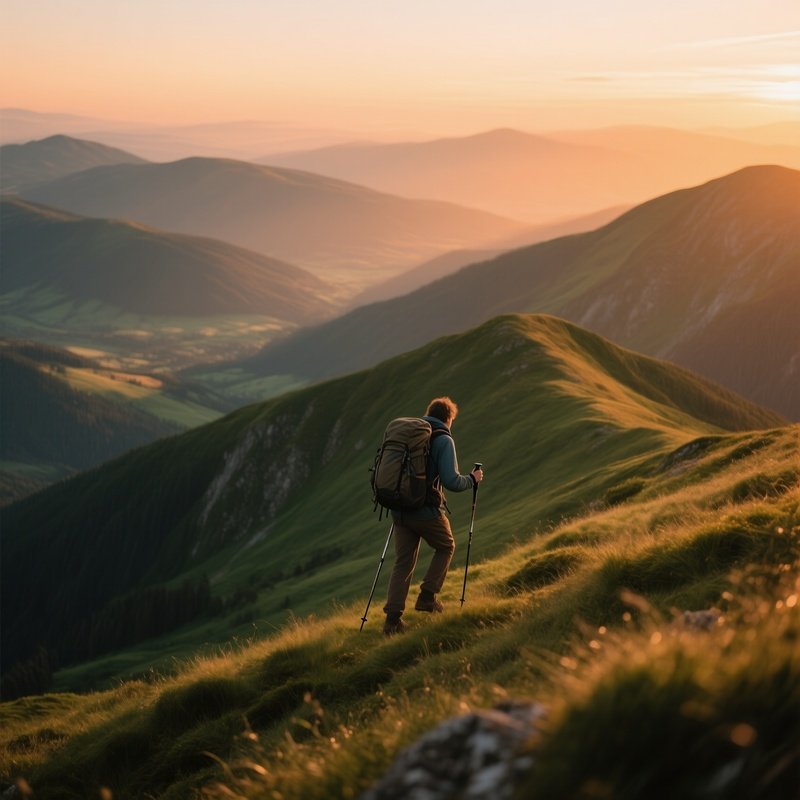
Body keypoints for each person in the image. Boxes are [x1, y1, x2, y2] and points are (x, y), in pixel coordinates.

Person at [383, 396, 484, 636]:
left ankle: (392, 622)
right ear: (449, 418)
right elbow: (451, 481)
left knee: (403, 562)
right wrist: (472, 479)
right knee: (446, 546)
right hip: (426, 511)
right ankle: (427, 597)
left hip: (399, 509)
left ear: (429, 412)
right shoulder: (443, 439)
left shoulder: (411, 434)